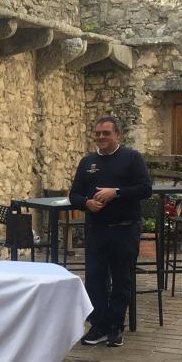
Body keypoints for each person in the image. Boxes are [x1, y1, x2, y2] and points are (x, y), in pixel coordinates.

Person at [70, 116, 152, 348]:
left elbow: (145, 189)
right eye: (98, 133)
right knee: (95, 279)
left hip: (124, 229)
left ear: (117, 135)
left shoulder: (132, 158)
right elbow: (74, 195)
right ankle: (98, 326)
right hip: (96, 230)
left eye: (106, 133)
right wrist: (87, 203)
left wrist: (115, 192)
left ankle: (116, 326)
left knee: (122, 279)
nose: (101, 137)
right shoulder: (87, 162)